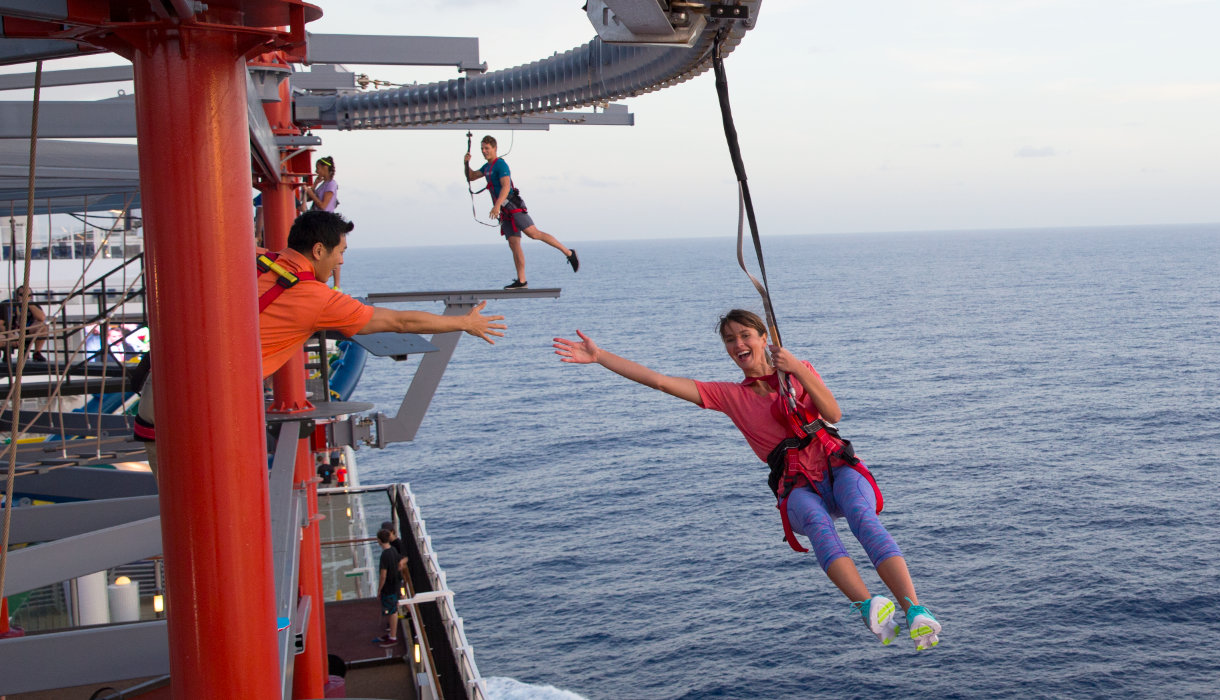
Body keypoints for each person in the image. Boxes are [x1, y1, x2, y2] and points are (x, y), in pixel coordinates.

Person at [552, 309, 944, 649]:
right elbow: (659, 381)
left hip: (836, 466)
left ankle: (914, 609)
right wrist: (600, 356)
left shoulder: (798, 371)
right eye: (729, 340)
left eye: (744, 335)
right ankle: (868, 606)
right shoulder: (728, 396)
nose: (737, 344)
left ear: (762, 338)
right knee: (819, 527)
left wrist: (797, 370)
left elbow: (833, 413)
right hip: (797, 484)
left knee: (861, 516)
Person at [131, 210, 509, 458]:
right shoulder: (315, 298)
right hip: (196, 410)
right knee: (198, 519)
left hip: (159, 385)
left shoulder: (257, 258)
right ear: (318, 250)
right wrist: (464, 323)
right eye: (340, 251)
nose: (341, 259)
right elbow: (400, 322)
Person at [463, 135, 579, 289]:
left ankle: (569, 253)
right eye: (482, 149)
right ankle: (522, 281)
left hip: (512, 205)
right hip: (503, 210)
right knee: (514, 243)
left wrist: (496, 206)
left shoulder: (500, 165)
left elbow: (506, 187)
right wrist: (466, 163)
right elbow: (471, 177)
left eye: (487, 148)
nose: (484, 151)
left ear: (495, 148)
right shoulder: (487, 167)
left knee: (534, 233)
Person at [374, 528, 407, 647]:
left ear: (379, 540)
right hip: (396, 584)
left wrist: (379, 589)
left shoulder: (384, 555)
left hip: (389, 587)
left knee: (392, 611)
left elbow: (383, 575)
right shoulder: (393, 550)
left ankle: (393, 637)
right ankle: (391, 634)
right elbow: (400, 564)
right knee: (393, 609)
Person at [0, 285, 49, 362]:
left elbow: (42, 318)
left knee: (43, 326)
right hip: (9, 333)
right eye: (21, 295)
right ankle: (5, 356)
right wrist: (10, 335)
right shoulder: (6, 304)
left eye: (28, 295)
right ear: (16, 295)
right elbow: (0, 324)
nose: (25, 297)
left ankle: (37, 353)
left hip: (26, 333)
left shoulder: (33, 305)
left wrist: (28, 303)